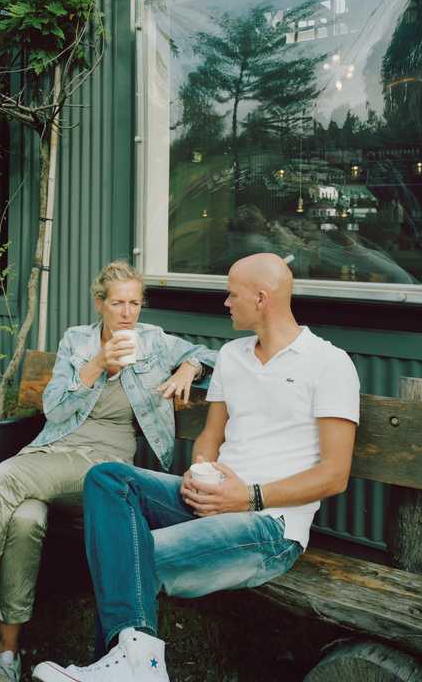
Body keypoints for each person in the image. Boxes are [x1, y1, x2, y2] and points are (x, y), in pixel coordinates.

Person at [32, 252, 360, 682]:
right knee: (107, 478)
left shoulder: (329, 363)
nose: (225, 302)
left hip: (270, 526)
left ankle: (129, 668)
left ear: (261, 299)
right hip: (213, 502)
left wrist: (249, 495)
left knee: (131, 553)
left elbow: (334, 475)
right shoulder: (231, 355)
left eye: (232, 294)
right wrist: (201, 471)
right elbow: (210, 436)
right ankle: (135, 667)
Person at [0, 260, 216, 682]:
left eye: (134, 303)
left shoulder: (154, 342)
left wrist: (189, 367)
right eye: (117, 303)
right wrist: (94, 367)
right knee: (23, 519)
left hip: (102, 468)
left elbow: (210, 354)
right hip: (54, 450)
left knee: (5, 477)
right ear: (100, 303)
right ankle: (7, 654)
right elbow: (53, 408)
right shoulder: (76, 340)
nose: (127, 312)